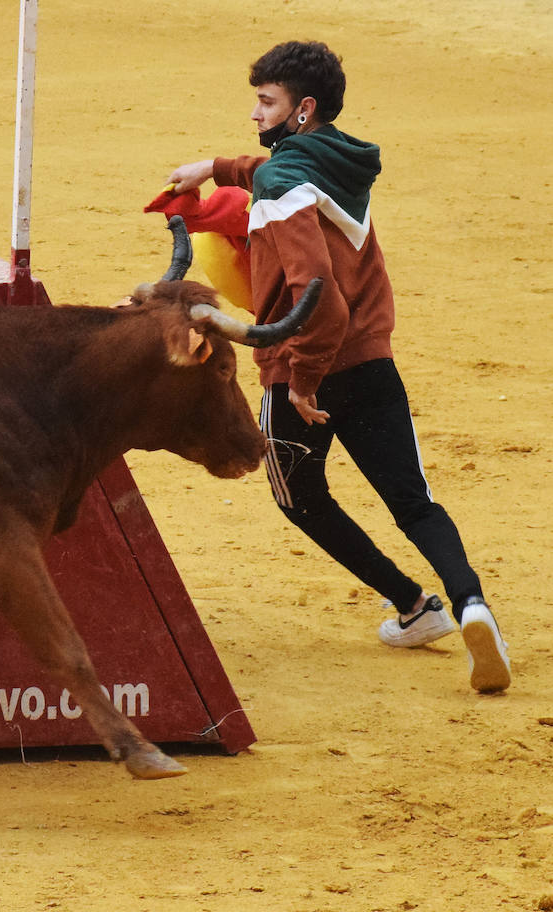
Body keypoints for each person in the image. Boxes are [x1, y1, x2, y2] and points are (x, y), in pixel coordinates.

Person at [165, 40, 510, 693]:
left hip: (304, 370)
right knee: (414, 501)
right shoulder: (342, 159)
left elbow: (316, 294)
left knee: (300, 497)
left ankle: (412, 605)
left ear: (303, 109)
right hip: (373, 365)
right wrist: (214, 166)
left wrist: (301, 379)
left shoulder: (278, 184)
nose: (254, 114)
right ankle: (470, 605)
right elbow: (276, 166)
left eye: (265, 102)